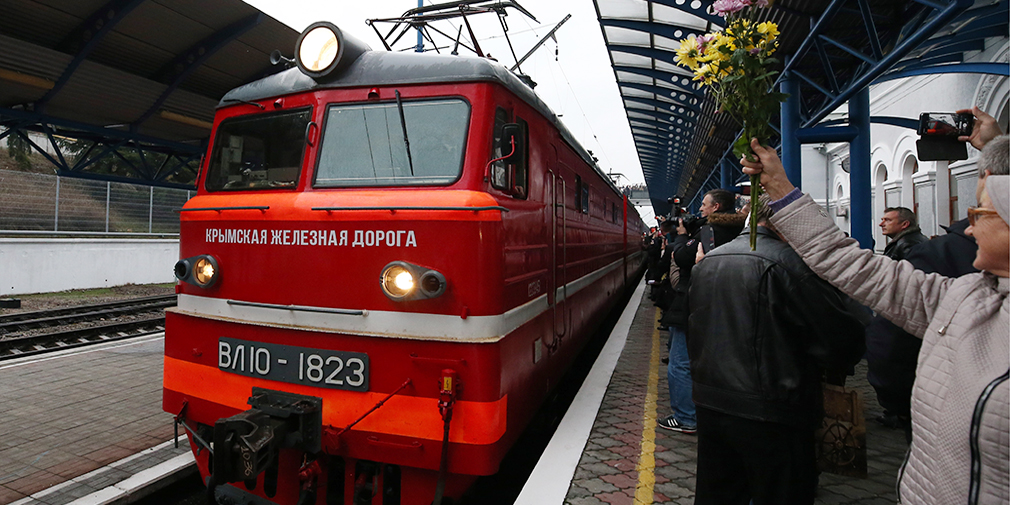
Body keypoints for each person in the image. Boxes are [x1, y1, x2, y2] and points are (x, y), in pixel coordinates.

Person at [741, 134, 1009, 505]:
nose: (968, 227)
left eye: (980, 212)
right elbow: (857, 268)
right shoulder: (965, 297)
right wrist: (780, 189)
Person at [686, 194, 865, 505]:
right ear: (790, 223)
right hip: (774, 410)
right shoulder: (791, 264)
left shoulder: (708, 262)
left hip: (711, 402)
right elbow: (841, 343)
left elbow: (695, 330)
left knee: (718, 494)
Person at [658, 189, 744, 434]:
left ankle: (686, 417)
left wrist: (683, 237)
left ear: (716, 207)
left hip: (695, 301)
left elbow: (683, 257)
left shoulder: (709, 232)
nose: (701, 210)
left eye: (704, 205)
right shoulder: (738, 230)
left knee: (681, 362)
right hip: (724, 302)